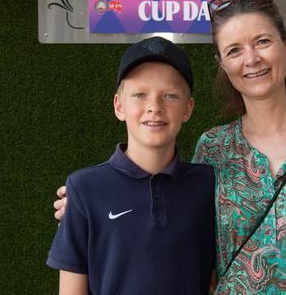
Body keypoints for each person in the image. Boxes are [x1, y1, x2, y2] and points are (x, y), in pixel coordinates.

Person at [54, 0, 286, 294]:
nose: (251, 59)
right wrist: (88, 206)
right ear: (222, 63)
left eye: (262, 42)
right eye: (234, 50)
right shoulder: (214, 149)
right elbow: (176, 213)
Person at [47, 37, 216, 295]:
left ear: (188, 108)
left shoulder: (208, 185)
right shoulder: (84, 189)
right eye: (139, 94)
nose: (154, 107)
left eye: (170, 95)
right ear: (119, 105)